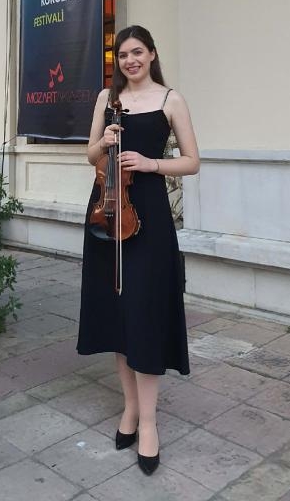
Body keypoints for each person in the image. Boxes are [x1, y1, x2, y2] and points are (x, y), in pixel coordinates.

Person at [77, 24, 200, 476]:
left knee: (144, 313)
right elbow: (90, 156)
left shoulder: (170, 100)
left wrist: (150, 163)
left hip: (149, 215)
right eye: (122, 55)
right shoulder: (106, 99)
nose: (129, 61)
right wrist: (103, 143)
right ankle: (129, 408)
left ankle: (148, 423)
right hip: (107, 210)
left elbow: (192, 161)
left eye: (137, 52)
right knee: (118, 313)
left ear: (151, 54)